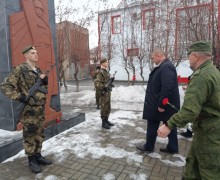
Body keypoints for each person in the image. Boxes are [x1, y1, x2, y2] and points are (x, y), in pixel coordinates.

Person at [157, 41, 220, 179]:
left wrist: (169, 124)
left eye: (189, 56)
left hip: (209, 136)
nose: (188, 60)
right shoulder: (213, 71)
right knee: (192, 168)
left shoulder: (200, 76)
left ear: (196, 55)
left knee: (210, 174)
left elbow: (190, 111)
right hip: (209, 131)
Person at [0, 45, 52, 173]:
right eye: (33, 53)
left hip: (40, 109)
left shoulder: (38, 70)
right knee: (29, 135)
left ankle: (38, 155)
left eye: (36, 52)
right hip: (29, 110)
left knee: (39, 134)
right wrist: (19, 97)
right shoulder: (20, 69)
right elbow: (5, 86)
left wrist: (45, 81)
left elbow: (43, 88)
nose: (36, 55)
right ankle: (31, 160)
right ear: (26, 55)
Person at [136, 49, 180, 154]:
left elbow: (167, 87)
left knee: (157, 125)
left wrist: (161, 104)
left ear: (159, 56)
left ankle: (150, 146)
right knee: (168, 125)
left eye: (153, 57)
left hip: (161, 105)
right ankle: (171, 147)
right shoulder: (164, 66)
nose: (152, 59)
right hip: (159, 103)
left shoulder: (166, 67)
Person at [94, 58, 114, 129]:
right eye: (106, 62)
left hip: (108, 92)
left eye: (107, 62)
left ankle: (106, 120)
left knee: (108, 107)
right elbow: (97, 83)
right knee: (104, 107)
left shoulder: (106, 71)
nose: (107, 63)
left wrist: (111, 82)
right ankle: (103, 123)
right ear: (102, 63)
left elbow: (107, 81)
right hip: (103, 93)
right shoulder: (100, 72)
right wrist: (103, 87)